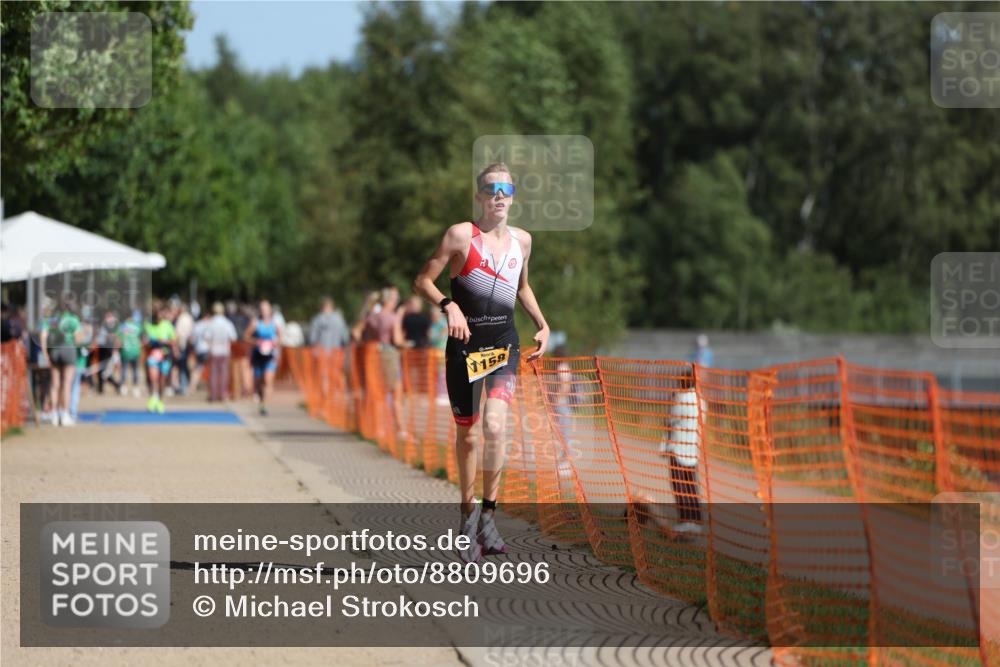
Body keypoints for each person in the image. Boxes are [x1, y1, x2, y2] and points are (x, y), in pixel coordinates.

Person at [414, 162, 550, 562]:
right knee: (469, 435)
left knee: (495, 424)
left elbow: (522, 287)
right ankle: (467, 514)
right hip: (464, 347)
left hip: (504, 345)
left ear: (513, 195)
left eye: (506, 188)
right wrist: (448, 304)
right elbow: (422, 280)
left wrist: (542, 324)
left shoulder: (523, 241)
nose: (500, 195)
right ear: (479, 196)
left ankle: (489, 517)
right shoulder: (460, 236)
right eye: (491, 188)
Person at [659, 369, 706, 536]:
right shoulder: (701, 400)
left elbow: (670, 421)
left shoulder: (681, 399)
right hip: (692, 449)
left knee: (679, 485)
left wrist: (664, 447)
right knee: (691, 485)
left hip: (678, 448)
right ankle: (696, 520)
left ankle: (686, 520)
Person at [39, 298, 84, 426]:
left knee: (55, 384)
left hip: (54, 350)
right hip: (69, 350)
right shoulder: (73, 319)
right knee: (67, 384)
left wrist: (45, 353)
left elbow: (43, 335)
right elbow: (78, 338)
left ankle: (54, 415)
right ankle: (64, 415)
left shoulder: (51, 319)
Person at [244, 299, 283, 416]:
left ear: (270, 310)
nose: (264, 311)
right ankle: (261, 401)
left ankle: (265, 405)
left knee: (268, 380)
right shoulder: (255, 323)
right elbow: (246, 336)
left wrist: (276, 343)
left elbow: (281, 338)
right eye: (262, 309)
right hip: (258, 355)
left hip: (271, 356)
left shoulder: (275, 324)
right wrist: (256, 341)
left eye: (266, 309)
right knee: (260, 381)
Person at [143, 303, 178, 413]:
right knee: (153, 379)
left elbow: (174, 341)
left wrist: (165, 342)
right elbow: (144, 340)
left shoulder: (168, 325)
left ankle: (160, 400)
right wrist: (148, 342)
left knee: (162, 380)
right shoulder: (148, 326)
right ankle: (153, 398)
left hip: (165, 356)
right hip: (153, 356)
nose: (160, 315)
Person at [205, 302, 238, 402]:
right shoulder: (227, 323)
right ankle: (223, 394)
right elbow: (233, 338)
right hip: (225, 351)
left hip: (214, 351)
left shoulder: (211, 323)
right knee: (224, 373)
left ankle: (214, 394)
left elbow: (207, 337)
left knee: (214, 373)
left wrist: (211, 346)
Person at [117, 312, 143, 397]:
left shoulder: (122, 327)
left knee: (124, 369)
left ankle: (123, 387)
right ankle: (135, 387)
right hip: (135, 351)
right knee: (135, 370)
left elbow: (118, 340)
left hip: (125, 351)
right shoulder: (137, 326)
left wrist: (116, 350)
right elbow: (142, 339)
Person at [173, 303, 195, 395]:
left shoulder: (181, 319)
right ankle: (185, 386)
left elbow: (177, 334)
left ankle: (183, 386)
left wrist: (175, 348)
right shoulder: (190, 318)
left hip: (182, 345)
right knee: (185, 366)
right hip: (188, 346)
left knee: (182, 366)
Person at [188, 310, 211, 395]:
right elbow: (208, 339)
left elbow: (192, 339)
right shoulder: (210, 325)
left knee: (197, 369)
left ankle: (192, 387)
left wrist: (193, 349)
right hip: (208, 350)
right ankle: (210, 388)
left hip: (198, 349)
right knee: (210, 370)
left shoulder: (197, 325)